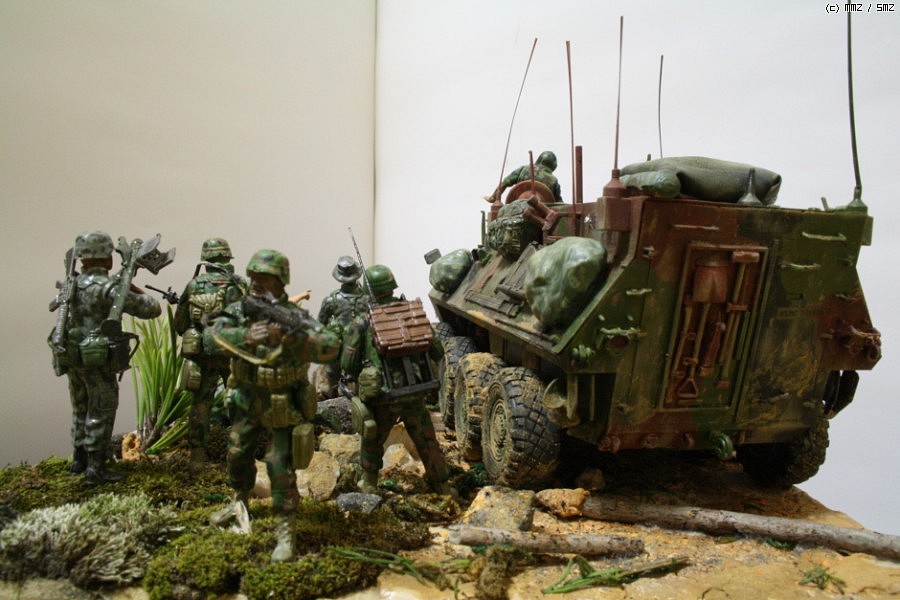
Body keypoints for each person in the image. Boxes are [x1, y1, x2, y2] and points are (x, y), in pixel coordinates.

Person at [204, 249, 340, 562]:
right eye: (253, 277)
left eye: (263, 278)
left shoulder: (295, 316)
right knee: (237, 453)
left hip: (281, 401)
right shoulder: (241, 308)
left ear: (280, 281)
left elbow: (330, 346)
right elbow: (211, 337)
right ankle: (239, 501)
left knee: (279, 464)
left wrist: (292, 340)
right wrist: (245, 336)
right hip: (246, 396)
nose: (255, 283)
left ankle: (285, 529)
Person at [50, 230, 162, 485]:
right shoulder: (109, 288)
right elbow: (152, 309)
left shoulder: (73, 283)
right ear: (107, 257)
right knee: (101, 410)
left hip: (73, 355)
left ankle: (79, 461)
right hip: (97, 358)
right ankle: (96, 469)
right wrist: (129, 286)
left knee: (80, 408)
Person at [341, 264, 453, 496]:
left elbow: (347, 364)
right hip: (415, 392)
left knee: (372, 440)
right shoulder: (413, 315)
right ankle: (442, 486)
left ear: (368, 290)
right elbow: (437, 351)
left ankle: (369, 484)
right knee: (427, 441)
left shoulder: (361, 322)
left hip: (382, 397)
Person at [172, 238, 248, 471]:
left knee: (201, 404)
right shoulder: (239, 285)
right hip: (232, 353)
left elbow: (179, 323)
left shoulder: (194, 285)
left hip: (203, 353)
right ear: (227, 258)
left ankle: (197, 456)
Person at [315, 255, 368, 399]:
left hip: (358, 347)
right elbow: (320, 326)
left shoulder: (366, 298)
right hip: (344, 347)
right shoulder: (365, 299)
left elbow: (320, 324)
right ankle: (331, 394)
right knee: (332, 370)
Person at [489, 150, 563, 203]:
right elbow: (559, 203)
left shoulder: (523, 169)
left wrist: (493, 197)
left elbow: (505, 182)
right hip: (542, 214)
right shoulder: (554, 180)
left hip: (516, 207)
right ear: (553, 166)